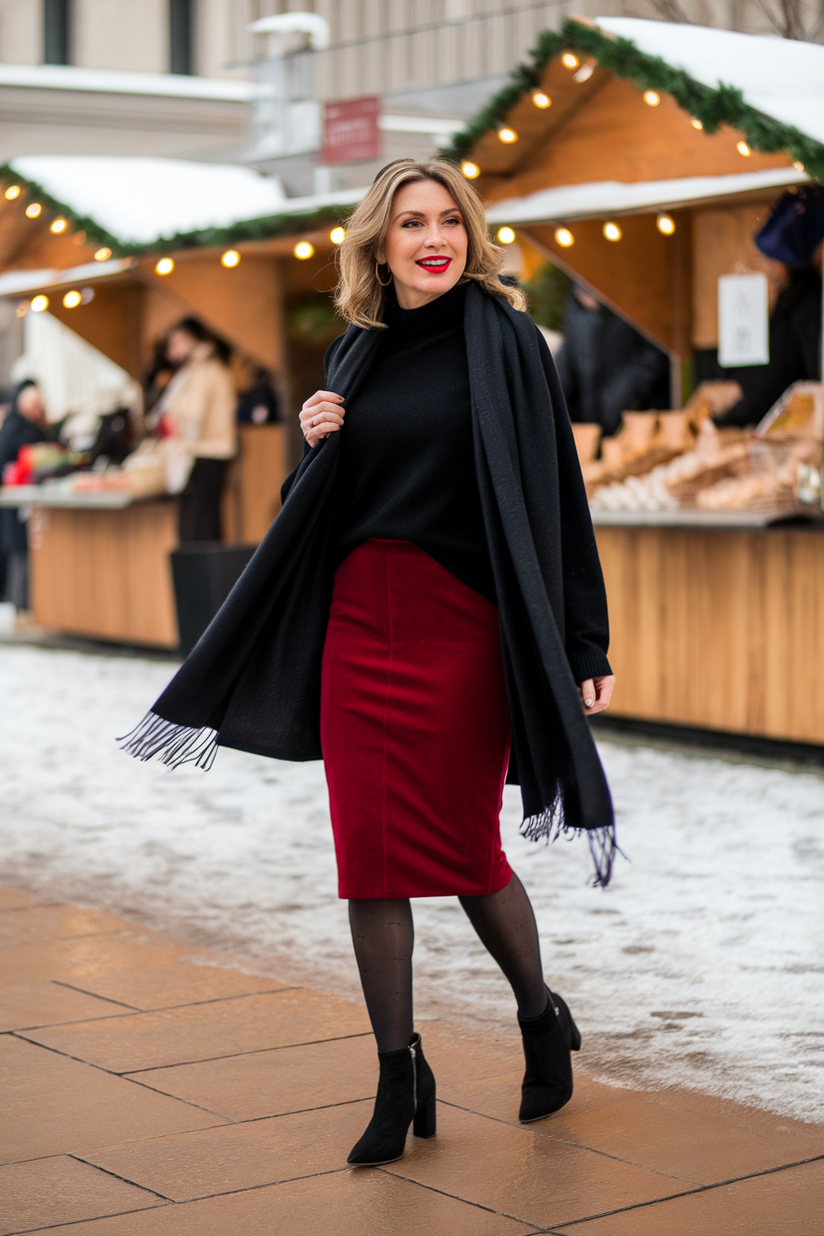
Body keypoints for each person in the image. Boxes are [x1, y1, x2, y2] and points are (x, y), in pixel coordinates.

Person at [121, 158, 616, 1168]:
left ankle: (538, 1015)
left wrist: (582, 640)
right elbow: (320, 510)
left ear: (467, 235)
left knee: (466, 853)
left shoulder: (507, 341)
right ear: (378, 245)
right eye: (409, 225)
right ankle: (398, 1073)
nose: (432, 239)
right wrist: (312, 443)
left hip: (463, 627)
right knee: (369, 859)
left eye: (446, 221)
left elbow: (555, 495)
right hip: (360, 625)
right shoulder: (356, 350)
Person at [712, 188, 824, 428]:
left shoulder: (806, 306)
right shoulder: (793, 301)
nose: (765, 267)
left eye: (770, 259)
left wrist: (728, 421)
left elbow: (775, 379)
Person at [158, 318, 237, 542]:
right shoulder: (211, 367)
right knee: (207, 525)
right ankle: (209, 577)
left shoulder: (204, 370)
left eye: (181, 340)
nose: (175, 348)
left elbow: (193, 416)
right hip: (210, 454)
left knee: (196, 531)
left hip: (203, 454)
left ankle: (199, 578)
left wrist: (175, 436)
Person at [555, 286, 670, 436]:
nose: (586, 298)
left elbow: (654, 352)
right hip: (590, 421)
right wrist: (555, 399)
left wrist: (622, 393)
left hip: (633, 418)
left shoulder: (630, 305)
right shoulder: (576, 309)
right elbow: (567, 360)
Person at [0, 380, 50, 609]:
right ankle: (21, 606)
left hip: (23, 501)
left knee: (25, 555)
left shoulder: (35, 425)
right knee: (20, 554)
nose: (36, 409)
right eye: (32, 404)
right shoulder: (15, 427)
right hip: (14, 502)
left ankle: (24, 605)